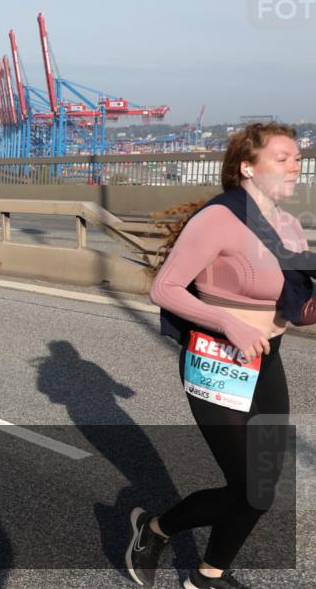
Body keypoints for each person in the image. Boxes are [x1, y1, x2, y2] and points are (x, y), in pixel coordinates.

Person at [127, 123, 315, 589]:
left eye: (298, 157)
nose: (296, 165)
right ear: (247, 167)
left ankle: (207, 576)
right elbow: (164, 288)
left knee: (262, 490)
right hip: (218, 359)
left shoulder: (290, 227)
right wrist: (228, 322)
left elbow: (297, 304)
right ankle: (155, 529)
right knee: (250, 490)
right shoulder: (218, 220)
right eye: (283, 157)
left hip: (267, 359)